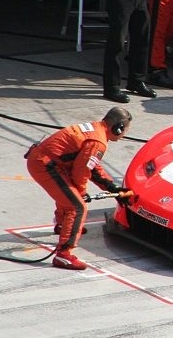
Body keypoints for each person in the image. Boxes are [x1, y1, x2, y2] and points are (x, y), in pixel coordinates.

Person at [26, 107, 135, 270]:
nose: (124, 135)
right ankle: (64, 255)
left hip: (45, 161)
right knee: (77, 207)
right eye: (125, 130)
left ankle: (63, 225)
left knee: (70, 196)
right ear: (118, 128)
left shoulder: (96, 129)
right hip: (46, 165)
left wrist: (112, 188)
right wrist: (81, 193)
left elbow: (92, 166)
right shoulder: (98, 142)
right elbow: (82, 171)